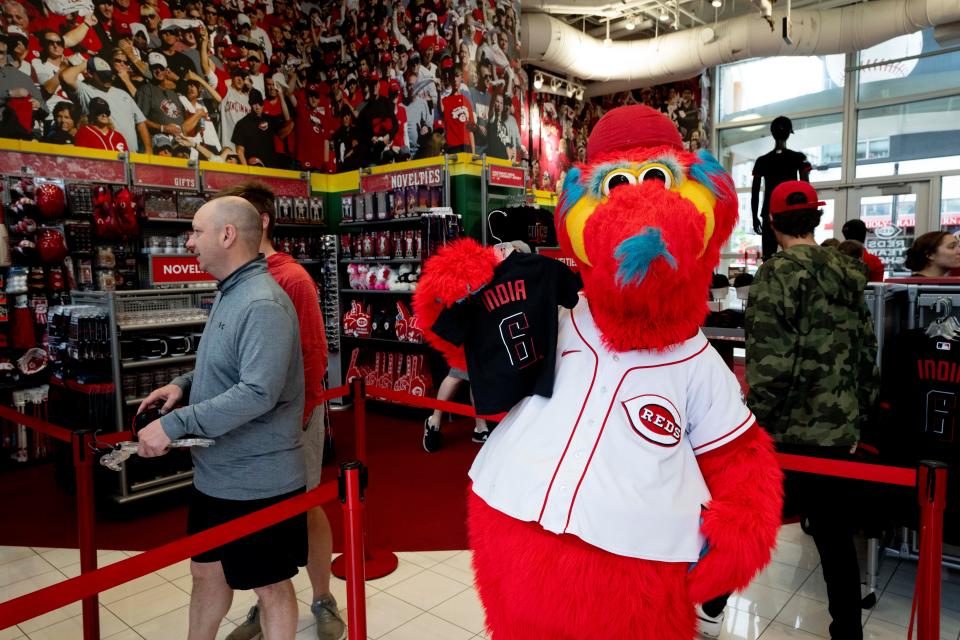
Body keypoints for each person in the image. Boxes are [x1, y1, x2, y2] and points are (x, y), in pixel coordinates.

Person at [136, 196, 307, 640]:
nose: (189, 242)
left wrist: (174, 424)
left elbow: (258, 391)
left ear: (227, 234)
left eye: (195, 231)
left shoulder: (262, 303)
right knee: (205, 571)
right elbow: (227, 366)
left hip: (258, 481)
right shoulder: (232, 293)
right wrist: (183, 385)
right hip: (216, 476)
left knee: (269, 584)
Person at [742, 180, 879, 640]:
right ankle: (848, 632)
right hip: (840, 430)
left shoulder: (775, 275)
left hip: (789, 433)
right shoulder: (847, 272)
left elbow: (769, 365)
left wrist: (752, 422)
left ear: (772, 222)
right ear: (817, 219)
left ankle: (711, 605)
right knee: (835, 538)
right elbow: (866, 353)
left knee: (745, 523)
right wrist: (859, 414)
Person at [215, 182, 344, 640]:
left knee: (305, 508)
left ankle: (323, 598)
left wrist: (301, 418)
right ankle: (268, 600)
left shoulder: (291, 279)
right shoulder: (236, 279)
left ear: (260, 222)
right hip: (252, 425)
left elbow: (313, 353)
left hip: (292, 420)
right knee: (263, 517)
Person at [60, 55, 153, 154]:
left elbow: (140, 123)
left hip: (131, 156)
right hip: (105, 155)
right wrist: (85, 64)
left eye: (109, 75)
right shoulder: (85, 90)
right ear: (91, 74)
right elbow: (66, 77)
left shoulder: (123, 93)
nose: (108, 79)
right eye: (103, 75)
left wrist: (148, 150)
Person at [751, 116, 812, 260]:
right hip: (791, 211)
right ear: (789, 133)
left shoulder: (762, 161)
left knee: (768, 256)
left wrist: (754, 217)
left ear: (772, 134)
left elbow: (755, 193)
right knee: (795, 253)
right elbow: (806, 188)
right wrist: (807, 215)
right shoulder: (798, 158)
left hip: (769, 213)